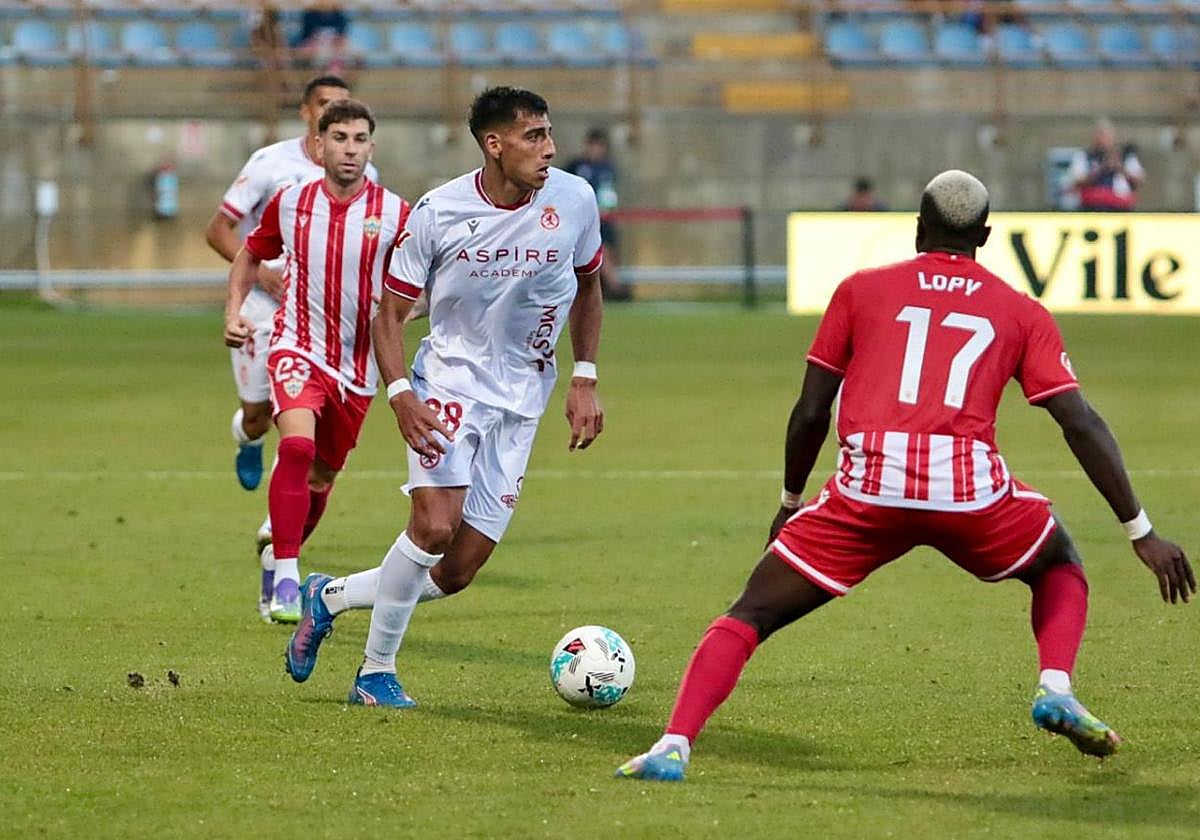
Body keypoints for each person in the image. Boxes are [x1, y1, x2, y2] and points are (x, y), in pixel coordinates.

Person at [615, 170, 1194, 782]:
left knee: (751, 612)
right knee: (1058, 564)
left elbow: (812, 410)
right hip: (969, 492)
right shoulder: (1021, 311)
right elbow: (1079, 421)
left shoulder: (862, 290)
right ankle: (1054, 685)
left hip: (870, 487)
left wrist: (790, 502)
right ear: (987, 235)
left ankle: (674, 745)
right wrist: (1141, 531)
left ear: (918, 228)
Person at [282, 86, 606, 706]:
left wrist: (584, 375)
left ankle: (329, 596)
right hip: (449, 383)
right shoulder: (439, 212)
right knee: (433, 526)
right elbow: (390, 311)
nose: (549, 149)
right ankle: (376, 672)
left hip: (522, 397)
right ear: (494, 144)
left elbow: (589, 285)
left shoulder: (575, 199)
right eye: (533, 137)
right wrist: (401, 393)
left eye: (548, 134)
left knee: (456, 571)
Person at [223, 99, 408, 624]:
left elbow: (423, 284)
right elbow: (250, 254)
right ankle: (287, 576)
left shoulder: (395, 213)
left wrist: (402, 314)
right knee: (298, 444)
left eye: (359, 139)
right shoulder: (291, 202)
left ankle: (272, 554)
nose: (350, 149)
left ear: (371, 147)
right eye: (340, 138)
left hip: (359, 367)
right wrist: (234, 311)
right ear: (320, 144)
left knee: (322, 477)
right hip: (297, 346)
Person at [565, 127, 631, 301]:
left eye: (599, 146)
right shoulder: (576, 166)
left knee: (608, 252)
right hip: (583, 219)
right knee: (599, 252)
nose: (595, 150)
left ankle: (611, 287)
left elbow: (608, 192)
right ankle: (616, 288)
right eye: (592, 146)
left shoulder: (608, 167)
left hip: (605, 218)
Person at [1070, 118, 1144, 211]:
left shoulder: (1125, 157)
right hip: (1091, 208)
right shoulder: (1083, 156)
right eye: (1100, 135)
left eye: (1106, 136)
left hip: (1121, 209)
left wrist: (1119, 167)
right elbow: (1077, 181)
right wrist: (1101, 169)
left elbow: (1138, 180)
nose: (1103, 140)